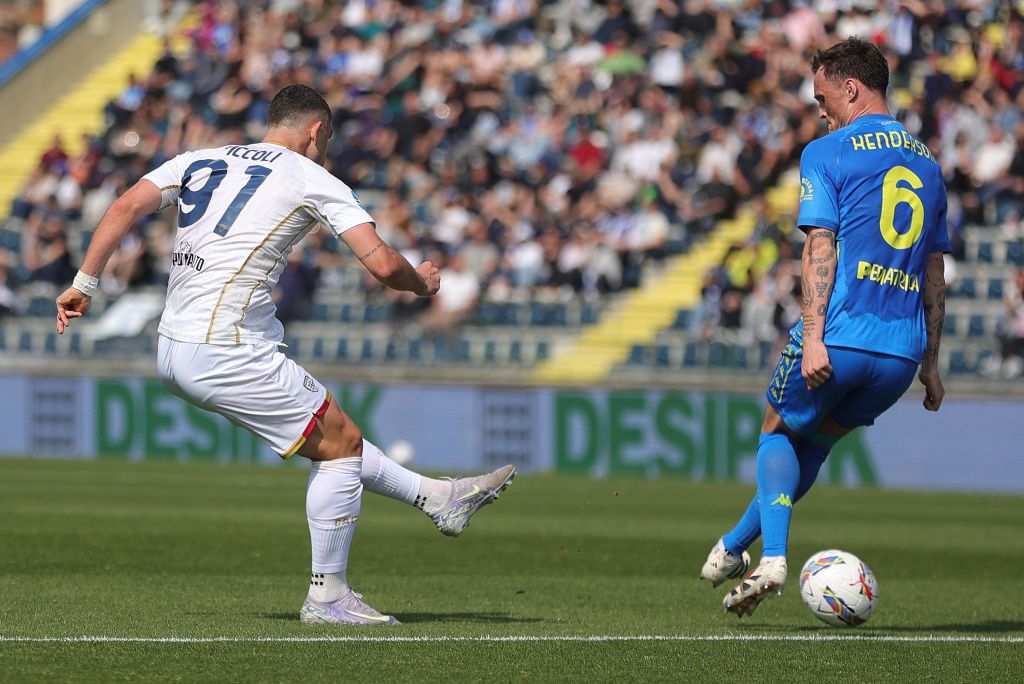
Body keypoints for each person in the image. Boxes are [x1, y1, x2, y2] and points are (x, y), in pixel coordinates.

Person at [55, 85, 516, 627]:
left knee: (332, 435)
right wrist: (423, 284)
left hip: (175, 345)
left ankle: (438, 497)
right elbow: (386, 267)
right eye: (328, 140)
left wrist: (86, 282)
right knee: (340, 447)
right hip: (226, 346)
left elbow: (125, 204)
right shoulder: (312, 177)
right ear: (316, 132)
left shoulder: (202, 158)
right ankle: (328, 597)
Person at [698, 38, 949, 617]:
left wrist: (812, 336)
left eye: (822, 96)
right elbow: (935, 274)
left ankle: (774, 558)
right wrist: (931, 365)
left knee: (776, 432)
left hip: (841, 332)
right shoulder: (930, 163)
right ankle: (735, 545)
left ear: (851, 87)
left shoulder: (828, 150)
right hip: (900, 354)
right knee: (819, 440)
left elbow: (820, 245)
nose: (819, 110)